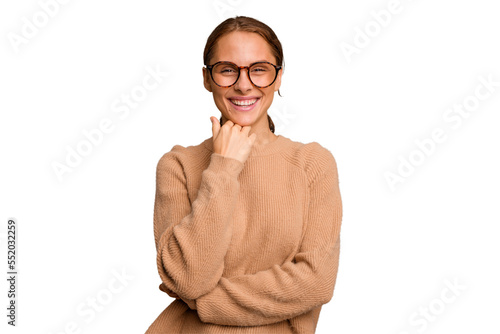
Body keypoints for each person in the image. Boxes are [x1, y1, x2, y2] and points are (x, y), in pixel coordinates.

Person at [145, 15, 343, 334]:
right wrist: (223, 167)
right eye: (227, 70)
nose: (243, 83)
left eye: (259, 69)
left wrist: (202, 303)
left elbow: (316, 283)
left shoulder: (312, 163)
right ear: (207, 79)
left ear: (278, 78)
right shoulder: (177, 165)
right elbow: (188, 278)